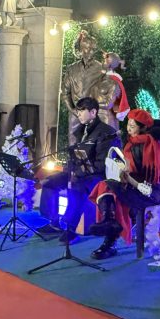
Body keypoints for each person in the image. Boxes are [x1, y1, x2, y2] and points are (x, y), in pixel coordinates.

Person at [89, 109, 160, 260]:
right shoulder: (131, 144)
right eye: (128, 125)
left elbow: (149, 184)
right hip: (133, 185)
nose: (128, 129)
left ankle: (110, 240)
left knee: (113, 192)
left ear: (143, 127)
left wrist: (128, 178)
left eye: (132, 126)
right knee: (105, 185)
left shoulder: (154, 146)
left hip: (149, 191)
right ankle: (108, 221)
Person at [38, 97, 119, 244]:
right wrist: (69, 170)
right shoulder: (80, 131)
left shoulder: (106, 133)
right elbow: (75, 156)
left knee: (77, 187)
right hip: (79, 172)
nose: (78, 114)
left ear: (93, 112)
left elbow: (103, 164)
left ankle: (71, 228)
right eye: (78, 111)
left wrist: (77, 173)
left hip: (97, 176)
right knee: (49, 182)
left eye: (82, 111)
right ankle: (54, 222)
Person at [60, 30, 105, 135]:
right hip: (76, 114)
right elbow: (65, 93)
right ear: (81, 49)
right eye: (87, 48)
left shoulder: (101, 69)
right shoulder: (71, 69)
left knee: (94, 141)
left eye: (93, 49)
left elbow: (106, 91)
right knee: (73, 141)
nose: (91, 51)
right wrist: (73, 110)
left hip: (94, 115)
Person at [91, 51, 130, 130]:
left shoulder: (114, 82)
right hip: (97, 117)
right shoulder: (102, 78)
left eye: (105, 61)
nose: (102, 62)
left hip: (107, 120)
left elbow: (109, 104)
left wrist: (91, 105)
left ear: (110, 63)